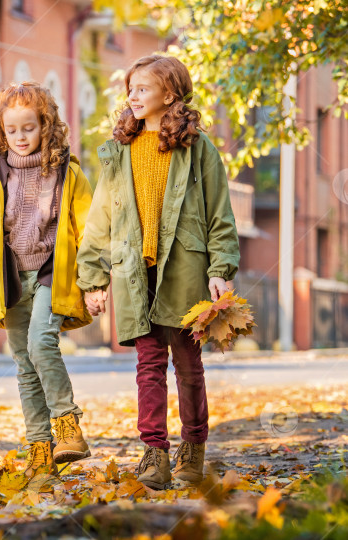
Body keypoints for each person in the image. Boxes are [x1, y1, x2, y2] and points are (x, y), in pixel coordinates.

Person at [76, 54, 240, 489]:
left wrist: (220, 268)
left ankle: (193, 448)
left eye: (142, 88)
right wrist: (92, 279)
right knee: (148, 365)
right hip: (134, 272)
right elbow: (99, 221)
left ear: (169, 94)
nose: (132, 95)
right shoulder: (118, 152)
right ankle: (154, 453)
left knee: (188, 365)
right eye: (130, 88)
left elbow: (220, 214)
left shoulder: (198, 148)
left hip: (185, 270)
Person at [0, 81, 94, 478]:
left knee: (40, 344)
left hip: (53, 273)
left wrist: (95, 279)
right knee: (24, 365)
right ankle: (39, 448)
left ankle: (68, 425)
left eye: (28, 128)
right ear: (0, 130)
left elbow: (89, 230)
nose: (20, 137)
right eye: (11, 130)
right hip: (12, 278)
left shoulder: (69, 175)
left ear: (45, 126)